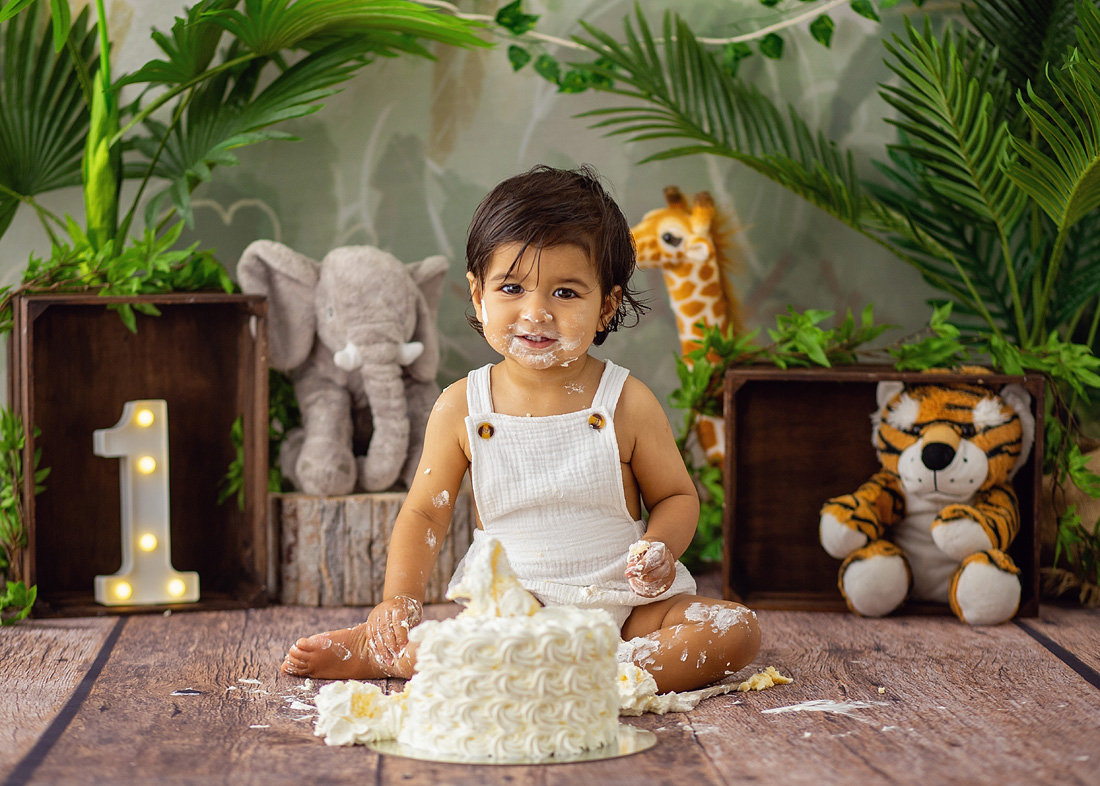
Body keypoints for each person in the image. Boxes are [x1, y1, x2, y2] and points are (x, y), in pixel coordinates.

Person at [281, 165, 760, 693]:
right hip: (515, 609)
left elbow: (676, 497)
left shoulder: (626, 401)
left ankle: (594, 671)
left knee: (735, 631)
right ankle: (387, 649)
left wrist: (661, 548)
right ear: (478, 294)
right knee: (472, 638)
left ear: (606, 306)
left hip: (629, 611)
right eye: (512, 288)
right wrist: (399, 600)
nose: (536, 312)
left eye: (566, 293)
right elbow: (424, 513)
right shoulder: (463, 405)